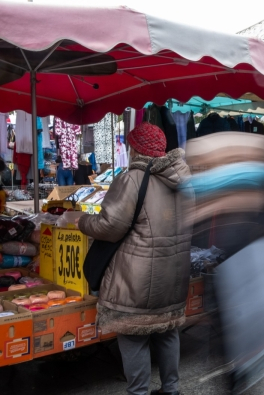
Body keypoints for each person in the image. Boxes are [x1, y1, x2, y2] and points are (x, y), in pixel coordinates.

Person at [78, 122, 192, 395]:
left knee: (133, 336)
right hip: (173, 274)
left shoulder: (132, 180)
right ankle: (171, 389)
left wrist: (82, 222)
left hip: (136, 278)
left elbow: (109, 226)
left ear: (136, 149)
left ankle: (139, 392)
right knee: (166, 331)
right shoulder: (185, 181)